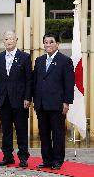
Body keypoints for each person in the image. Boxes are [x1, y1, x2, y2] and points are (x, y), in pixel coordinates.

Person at [33, 33, 74, 170]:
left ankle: (57, 160)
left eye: (51, 42)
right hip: (41, 104)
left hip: (57, 104)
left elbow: (69, 84)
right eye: (46, 42)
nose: (48, 44)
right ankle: (46, 159)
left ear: (57, 44)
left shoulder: (65, 61)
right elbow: (36, 82)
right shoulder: (39, 60)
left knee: (57, 134)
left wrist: (66, 102)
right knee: (44, 134)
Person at [0, 31, 32, 167]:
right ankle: (7, 156)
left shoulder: (25, 57)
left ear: (16, 40)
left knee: (21, 129)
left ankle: (23, 157)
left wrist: (28, 97)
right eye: (6, 39)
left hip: (20, 100)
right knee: (6, 130)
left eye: (11, 38)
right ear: (3, 41)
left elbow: (29, 80)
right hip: (4, 100)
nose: (9, 41)